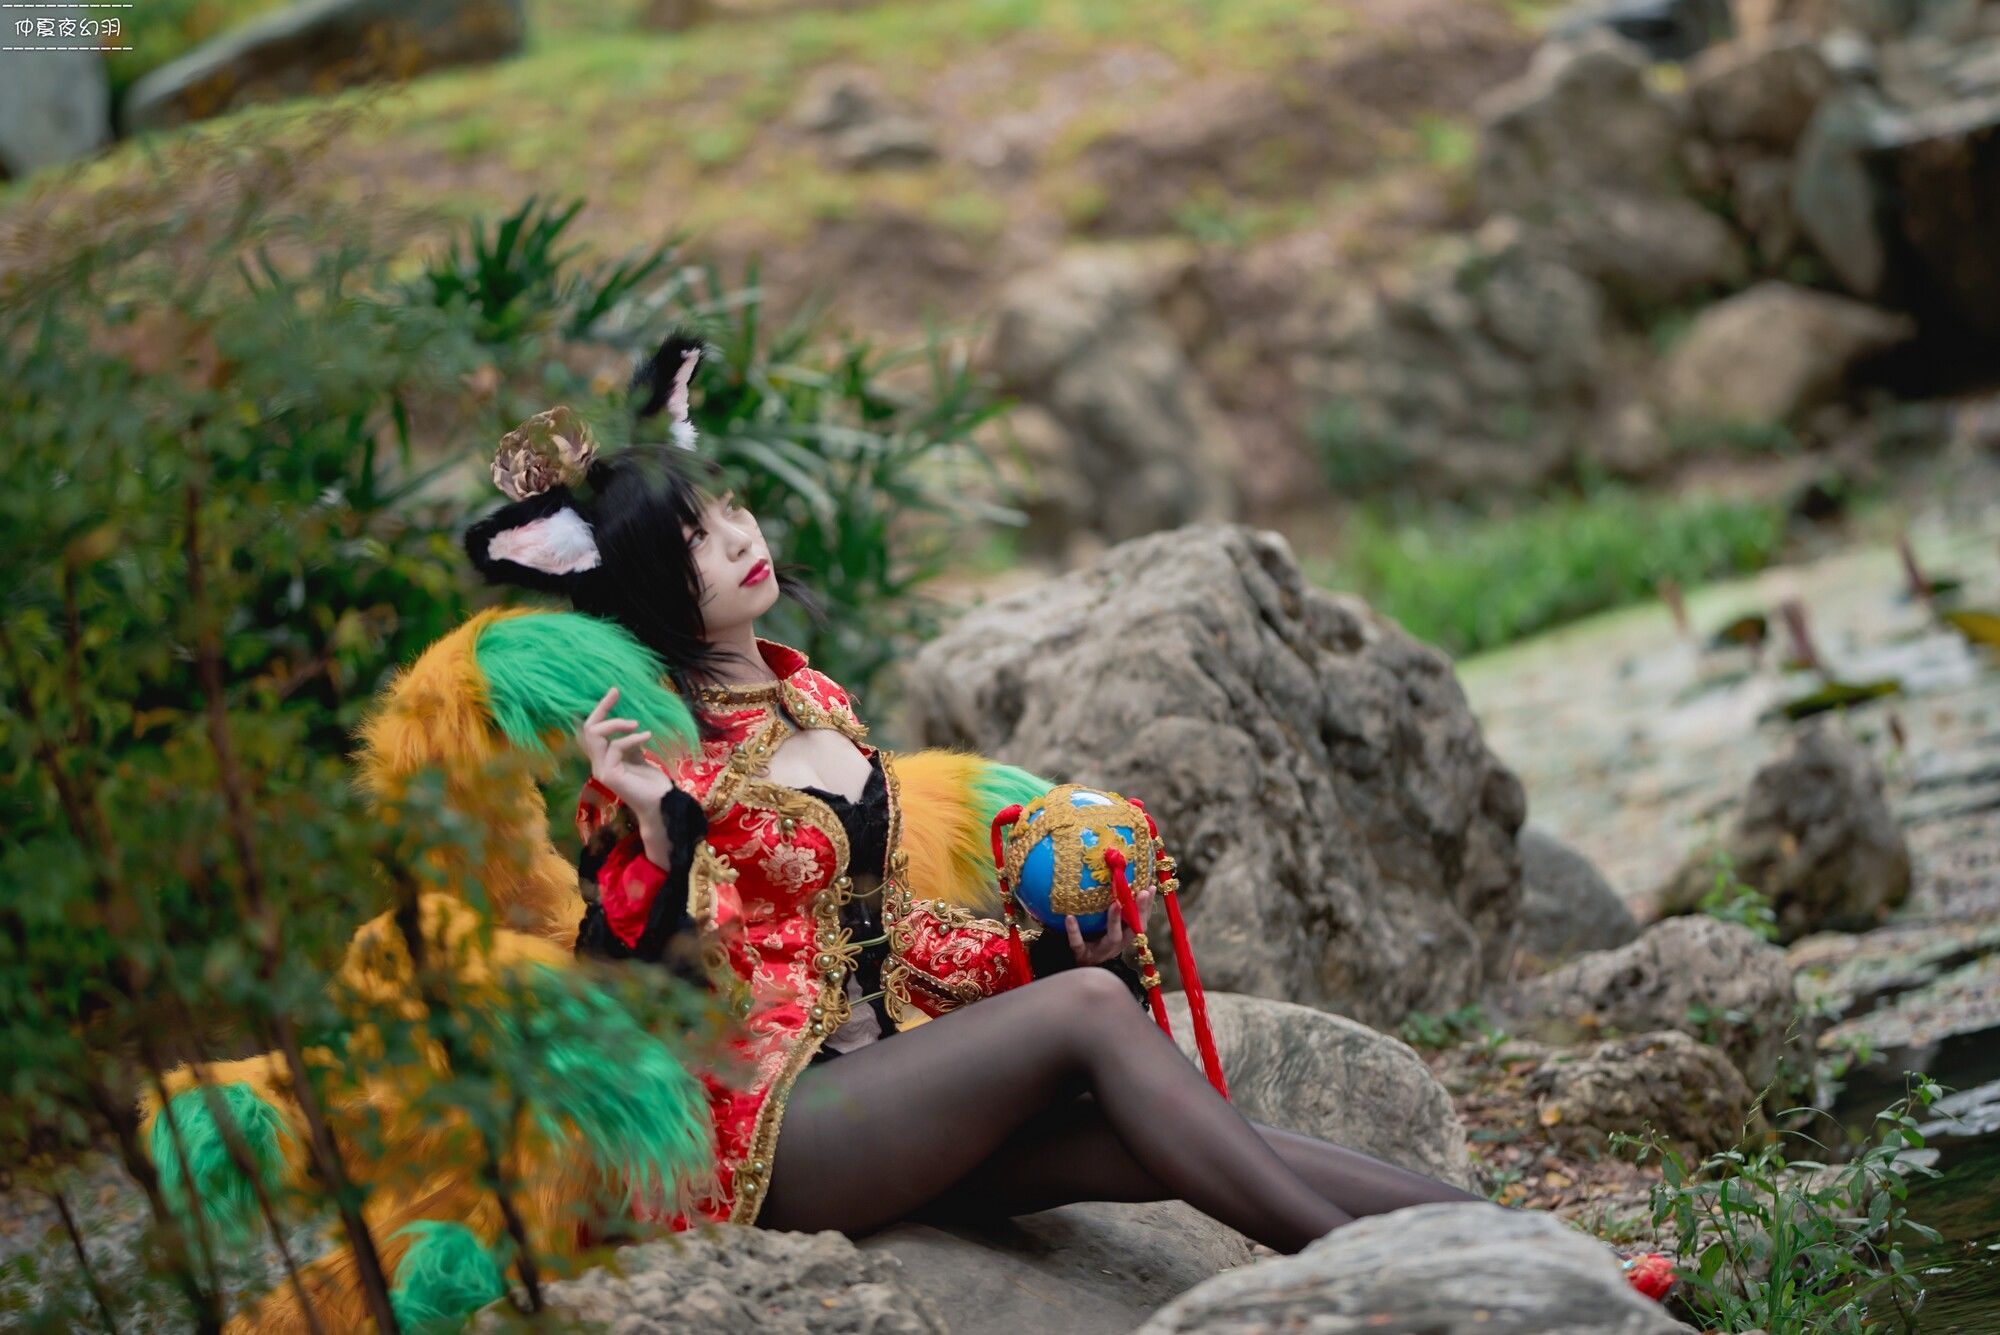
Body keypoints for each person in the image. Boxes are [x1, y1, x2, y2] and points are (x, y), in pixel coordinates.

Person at [461, 331, 1488, 1255]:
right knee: (1086, 1014)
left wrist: (1050, 949)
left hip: (899, 1094)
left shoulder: (811, 696)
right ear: (636, 585)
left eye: (729, 508)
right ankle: (1389, 1282)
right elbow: (633, 1012)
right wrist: (657, 831)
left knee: (1153, 1128)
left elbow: (888, 928)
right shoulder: (650, 765)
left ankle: (1506, 1244)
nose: (737, 536)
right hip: (777, 1136)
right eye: (693, 538)